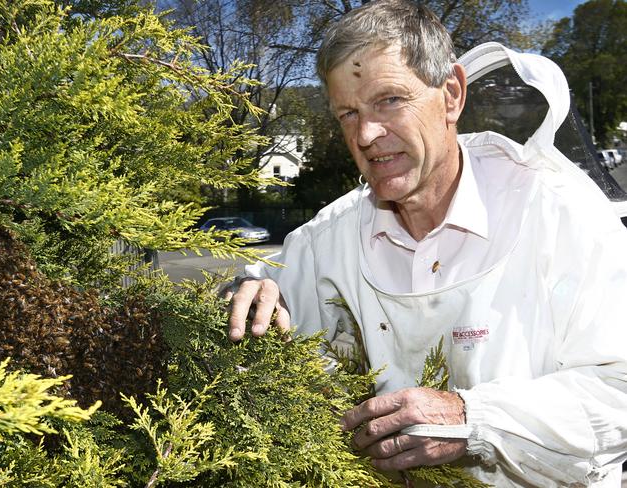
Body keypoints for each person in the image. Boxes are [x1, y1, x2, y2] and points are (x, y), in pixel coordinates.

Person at [226, 1, 627, 486]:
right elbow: (256, 292)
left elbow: (618, 389)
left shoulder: (561, 215)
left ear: (452, 94)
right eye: (348, 113)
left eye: (389, 100)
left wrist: (471, 416)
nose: (367, 134)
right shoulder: (327, 237)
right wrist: (246, 294)